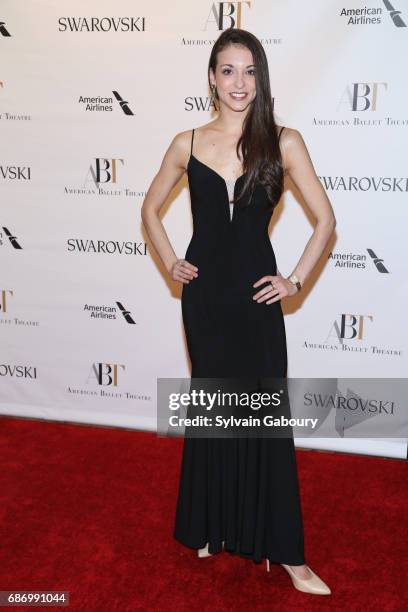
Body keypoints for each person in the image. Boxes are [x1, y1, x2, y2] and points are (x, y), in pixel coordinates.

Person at [141, 28, 336, 595]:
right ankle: (209, 525)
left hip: (256, 299)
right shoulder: (189, 143)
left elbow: (325, 222)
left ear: (261, 78)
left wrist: (294, 281)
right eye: (228, 70)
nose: (239, 83)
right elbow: (149, 209)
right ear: (210, 77)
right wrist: (171, 259)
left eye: (249, 71)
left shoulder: (284, 141)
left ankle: (289, 553)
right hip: (205, 300)